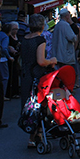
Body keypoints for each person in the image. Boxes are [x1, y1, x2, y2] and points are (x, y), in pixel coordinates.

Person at [19, 13, 57, 147]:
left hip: (25, 75)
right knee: (39, 105)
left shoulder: (24, 39)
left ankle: (32, 136)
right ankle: (39, 133)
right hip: (36, 76)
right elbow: (41, 61)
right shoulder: (40, 40)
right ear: (42, 25)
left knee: (29, 106)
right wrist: (51, 61)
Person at [52, 9, 77, 77]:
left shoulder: (58, 25)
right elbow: (72, 37)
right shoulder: (65, 25)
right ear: (67, 16)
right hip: (65, 54)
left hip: (57, 54)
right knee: (67, 73)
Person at [5, 21, 20, 99]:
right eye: (15, 29)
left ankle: (15, 91)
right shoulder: (8, 37)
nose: (16, 31)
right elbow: (5, 46)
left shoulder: (17, 36)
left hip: (16, 58)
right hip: (10, 58)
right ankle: (10, 92)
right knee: (11, 74)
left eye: (17, 29)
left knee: (16, 74)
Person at [0, 23, 13, 100]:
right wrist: (9, 56)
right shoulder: (5, 37)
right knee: (5, 77)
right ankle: (2, 95)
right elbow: (4, 48)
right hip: (2, 59)